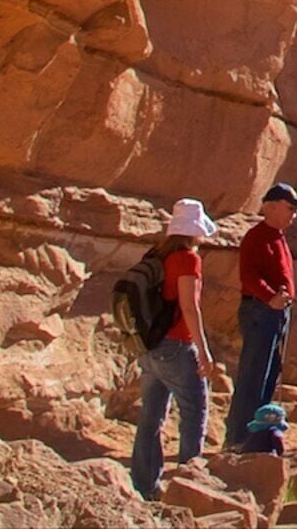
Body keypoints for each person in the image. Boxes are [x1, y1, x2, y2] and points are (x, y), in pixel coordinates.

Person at [128, 198, 218, 499]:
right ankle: (188, 486)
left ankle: (144, 485)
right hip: (177, 346)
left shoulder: (157, 253)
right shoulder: (187, 258)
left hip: (150, 346)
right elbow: (189, 307)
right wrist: (204, 352)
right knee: (194, 412)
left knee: (151, 418)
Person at [231, 182, 297, 438]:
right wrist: (270, 296)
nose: (294, 214)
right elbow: (248, 276)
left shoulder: (277, 237)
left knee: (269, 373)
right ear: (270, 207)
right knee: (254, 374)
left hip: (275, 311)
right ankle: (239, 436)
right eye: (290, 208)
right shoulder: (257, 236)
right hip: (260, 311)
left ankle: (258, 433)